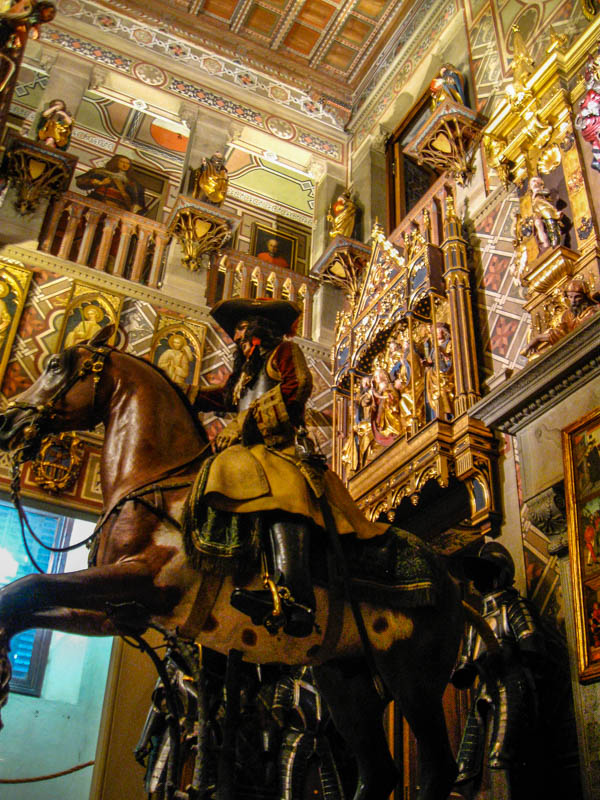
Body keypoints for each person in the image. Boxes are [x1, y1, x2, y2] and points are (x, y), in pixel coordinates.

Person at [188, 298, 386, 638]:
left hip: (278, 446)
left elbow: (297, 387)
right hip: (246, 449)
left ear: (257, 328)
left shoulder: (284, 352)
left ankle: (295, 596)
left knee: (284, 491)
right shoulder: (246, 371)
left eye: (239, 327)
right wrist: (184, 394)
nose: (234, 335)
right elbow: (225, 399)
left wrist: (246, 422)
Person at [451, 541, 546, 799]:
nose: (479, 581)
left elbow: (534, 648)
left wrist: (503, 654)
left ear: (499, 574)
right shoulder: (476, 621)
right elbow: (465, 669)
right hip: (485, 689)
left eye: (486, 573)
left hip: (512, 685)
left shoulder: (515, 607)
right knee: (464, 768)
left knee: (500, 757)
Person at [525, 278, 600, 354]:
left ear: (585, 297)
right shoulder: (568, 315)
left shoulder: (593, 312)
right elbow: (560, 333)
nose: (573, 301)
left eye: (577, 297)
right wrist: (538, 338)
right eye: (570, 297)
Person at [75, 155, 146, 214]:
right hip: (97, 202)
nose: (125, 165)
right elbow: (80, 182)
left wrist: (136, 207)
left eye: (128, 163)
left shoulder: (133, 183)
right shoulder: (101, 172)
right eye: (122, 162)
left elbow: (139, 201)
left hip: (118, 210)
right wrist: (99, 183)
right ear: (115, 162)